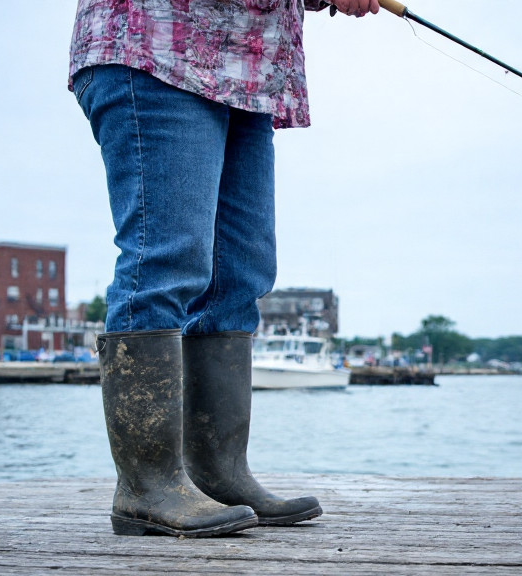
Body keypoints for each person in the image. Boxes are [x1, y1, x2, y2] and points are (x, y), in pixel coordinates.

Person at [69, 0, 380, 538]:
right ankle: (147, 487)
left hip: (247, 72)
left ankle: (218, 475)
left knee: (239, 276)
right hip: (158, 47)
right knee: (166, 261)